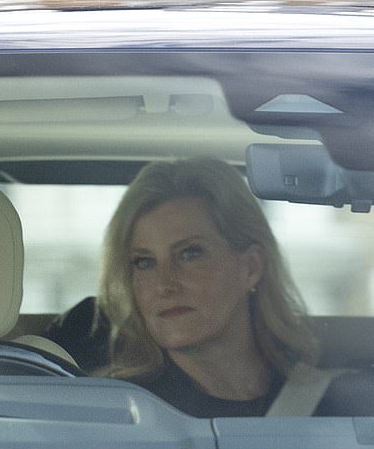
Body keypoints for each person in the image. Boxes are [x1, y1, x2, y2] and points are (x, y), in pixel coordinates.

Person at [48, 157, 374, 417]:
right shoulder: (113, 407)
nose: (164, 285)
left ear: (251, 267)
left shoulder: (334, 405)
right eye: (144, 262)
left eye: (190, 253)